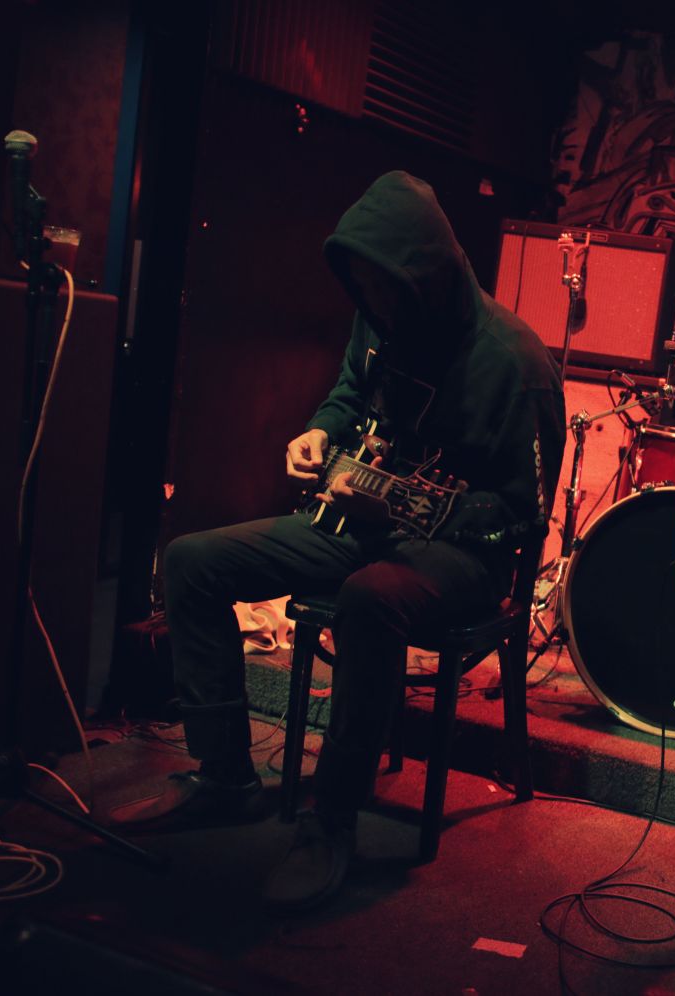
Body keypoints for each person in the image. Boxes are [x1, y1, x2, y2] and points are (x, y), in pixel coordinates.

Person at [111, 172, 566, 912]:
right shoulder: (378, 315)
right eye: (364, 289)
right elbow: (351, 391)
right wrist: (320, 431)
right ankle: (225, 776)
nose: (372, 304)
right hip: (361, 524)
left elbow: (522, 516)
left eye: (384, 289)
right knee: (193, 560)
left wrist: (424, 508)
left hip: (465, 557)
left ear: (427, 275)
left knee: (369, 600)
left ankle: (332, 821)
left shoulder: (516, 363)